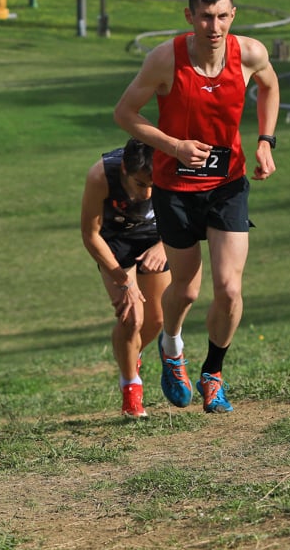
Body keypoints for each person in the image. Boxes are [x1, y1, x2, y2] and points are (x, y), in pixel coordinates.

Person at [113, 0, 280, 415]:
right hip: (175, 189)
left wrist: (265, 141)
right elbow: (124, 113)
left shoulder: (250, 53)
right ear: (190, 16)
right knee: (186, 291)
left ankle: (213, 374)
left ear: (233, 15)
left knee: (229, 288)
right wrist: (173, 147)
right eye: (206, 17)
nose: (214, 26)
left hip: (227, 185)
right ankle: (171, 348)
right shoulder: (164, 59)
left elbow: (269, 85)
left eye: (222, 16)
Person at [80, 138, 170, 419]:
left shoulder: (170, 166)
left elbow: (190, 214)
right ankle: (131, 387)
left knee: (156, 320)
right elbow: (90, 235)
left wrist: (164, 245)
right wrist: (125, 281)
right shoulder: (101, 176)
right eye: (140, 184)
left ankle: (132, 355)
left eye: (152, 185)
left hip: (156, 237)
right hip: (115, 240)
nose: (147, 193)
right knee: (132, 319)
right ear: (124, 170)